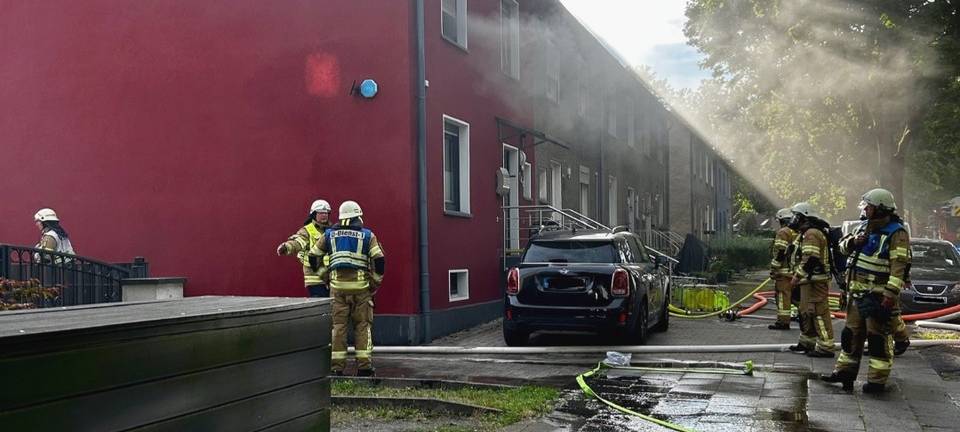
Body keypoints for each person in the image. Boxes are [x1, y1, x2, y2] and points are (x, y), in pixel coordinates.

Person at [822, 188, 911, 393]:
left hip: (877, 296)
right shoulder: (863, 227)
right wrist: (854, 241)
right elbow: (842, 248)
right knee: (850, 335)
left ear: (880, 208)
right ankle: (844, 373)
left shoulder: (896, 233)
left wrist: (890, 294)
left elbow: (899, 266)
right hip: (856, 294)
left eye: (869, 207)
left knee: (878, 339)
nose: (866, 210)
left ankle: (877, 381)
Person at [309, 200, 385, 376]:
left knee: (338, 328)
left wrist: (325, 276)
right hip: (361, 290)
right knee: (362, 327)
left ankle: (336, 369)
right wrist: (374, 283)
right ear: (357, 216)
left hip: (337, 290)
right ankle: (364, 368)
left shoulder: (328, 235)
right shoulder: (367, 235)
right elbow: (379, 260)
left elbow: (313, 257)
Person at [786, 202, 836, 358]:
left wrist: (796, 276)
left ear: (804, 217)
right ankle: (807, 342)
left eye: (796, 216)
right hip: (809, 281)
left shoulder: (812, 234)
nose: (793, 220)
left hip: (815, 281)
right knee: (806, 312)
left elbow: (811, 259)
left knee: (818, 313)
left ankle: (826, 347)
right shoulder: (806, 233)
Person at [277, 200, 332, 297]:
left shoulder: (332, 230)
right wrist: (286, 247)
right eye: (321, 213)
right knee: (319, 308)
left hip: (330, 277)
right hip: (315, 278)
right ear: (314, 214)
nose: (324, 215)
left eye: (326, 213)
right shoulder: (307, 230)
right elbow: (298, 242)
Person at [769, 208, 799, 330]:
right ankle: (805, 318)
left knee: (783, 297)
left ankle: (783, 322)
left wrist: (774, 268)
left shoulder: (783, 232)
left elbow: (780, 252)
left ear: (781, 220)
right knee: (797, 298)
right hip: (796, 272)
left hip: (784, 273)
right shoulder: (797, 232)